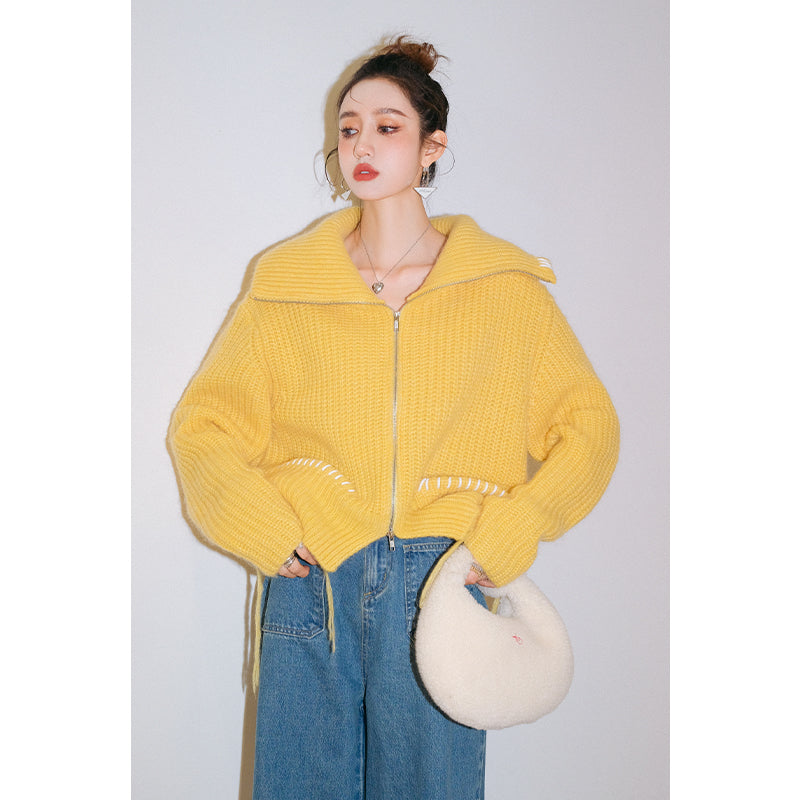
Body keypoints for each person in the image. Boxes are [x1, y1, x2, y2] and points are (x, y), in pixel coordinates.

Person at [168, 36, 620, 800]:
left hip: (439, 582)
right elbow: (203, 425)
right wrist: (260, 524)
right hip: (313, 579)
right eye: (349, 128)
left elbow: (590, 427)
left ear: (431, 146)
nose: (362, 145)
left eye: (387, 126)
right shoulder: (285, 284)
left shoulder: (503, 289)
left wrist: (514, 529)